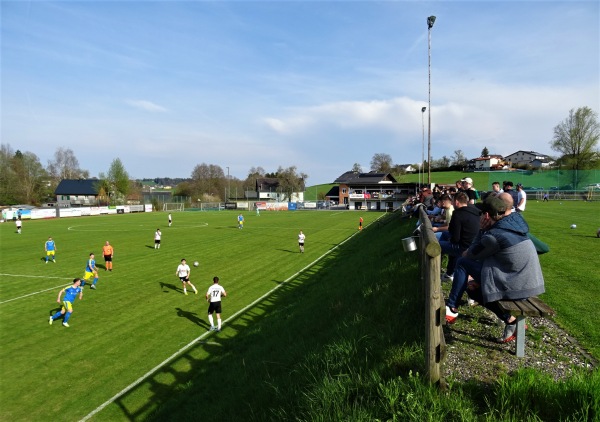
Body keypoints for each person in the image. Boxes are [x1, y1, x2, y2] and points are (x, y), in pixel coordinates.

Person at [445, 195, 545, 343]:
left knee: (462, 262)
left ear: (486, 215)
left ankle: (452, 307)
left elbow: (469, 254)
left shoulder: (494, 236)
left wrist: (480, 230)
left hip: (515, 284)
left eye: (481, 213)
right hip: (528, 284)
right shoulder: (515, 225)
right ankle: (511, 321)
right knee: (472, 288)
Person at [439, 192, 480, 280]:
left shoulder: (457, 214)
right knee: (445, 234)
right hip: (474, 244)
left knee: (437, 245)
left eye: (453, 201)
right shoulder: (475, 209)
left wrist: (451, 240)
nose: (452, 203)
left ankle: (438, 268)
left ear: (457, 202)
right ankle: (449, 272)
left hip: (463, 246)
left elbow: (456, 237)